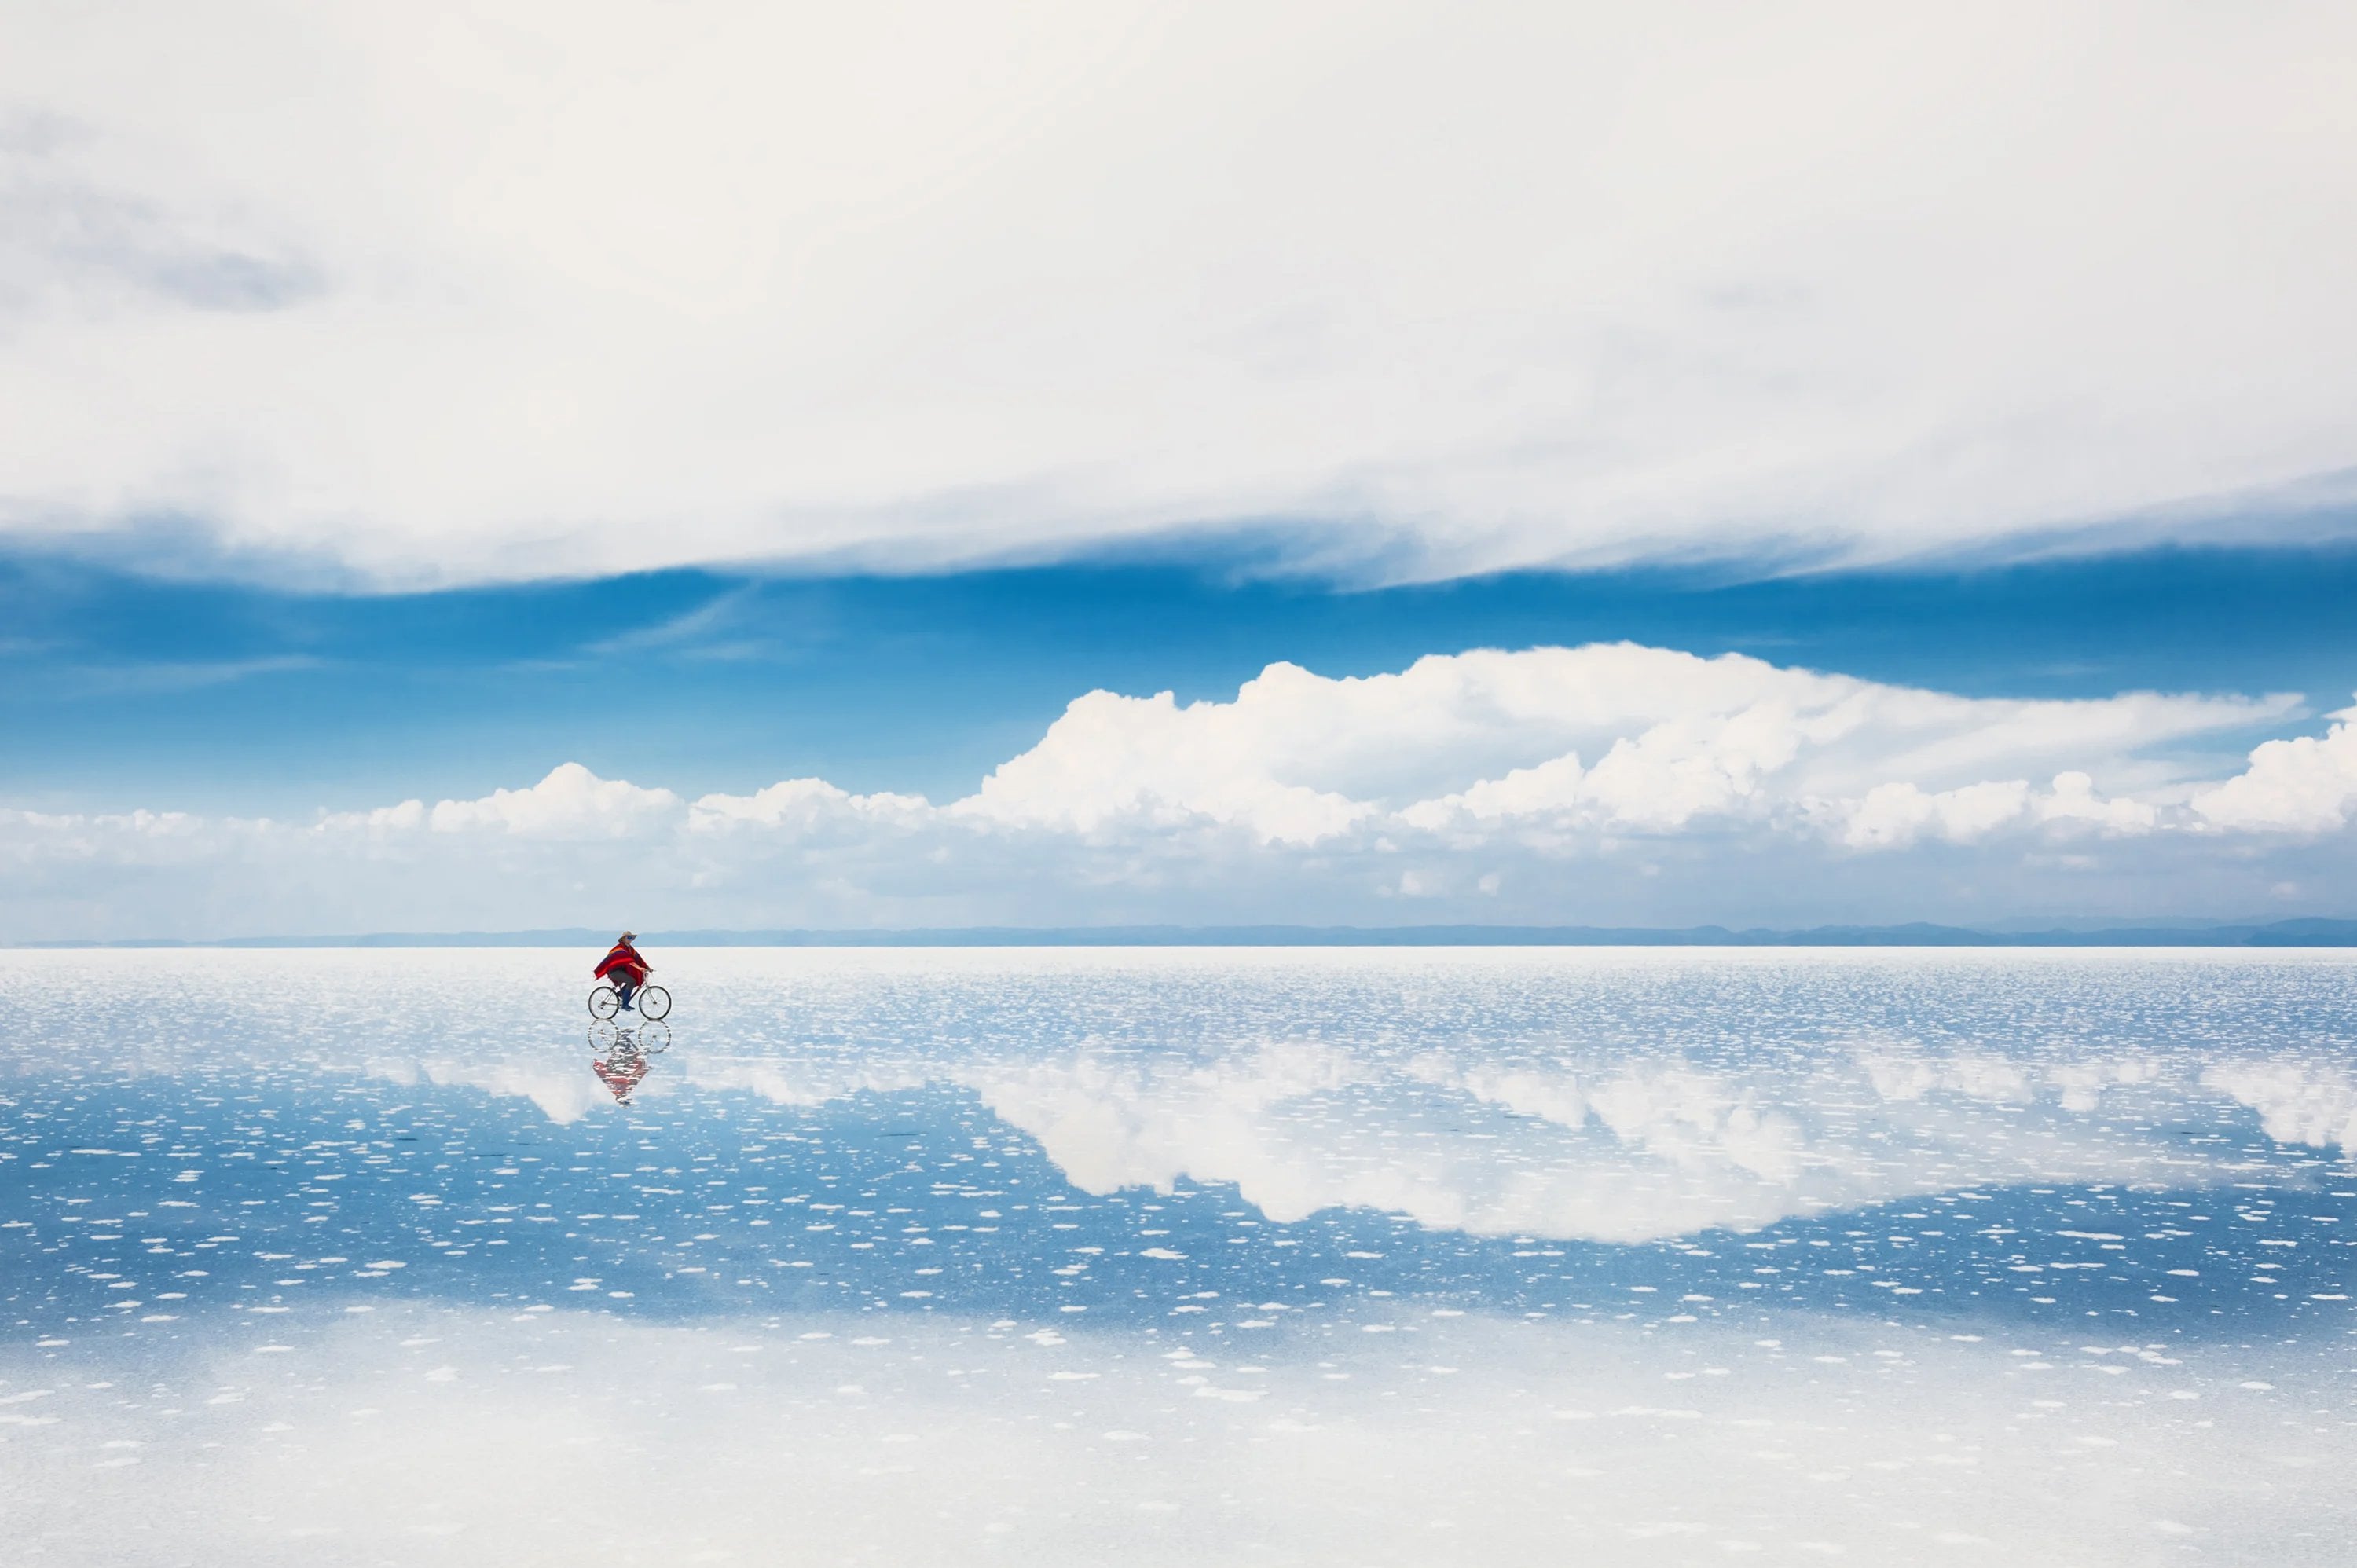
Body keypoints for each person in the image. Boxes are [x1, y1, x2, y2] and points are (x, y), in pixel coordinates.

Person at [595, 931, 652, 1012]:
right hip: (614, 972)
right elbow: (629, 961)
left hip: (622, 972)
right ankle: (625, 1004)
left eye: (631, 938)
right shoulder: (620, 949)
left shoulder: (630, 949)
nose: (630, 940)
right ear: (624, 939)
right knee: (632, 981)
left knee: (636, 980)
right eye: (628, 938)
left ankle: (620, 994)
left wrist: (647, 968)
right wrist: (639, 968)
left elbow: (638, 959)